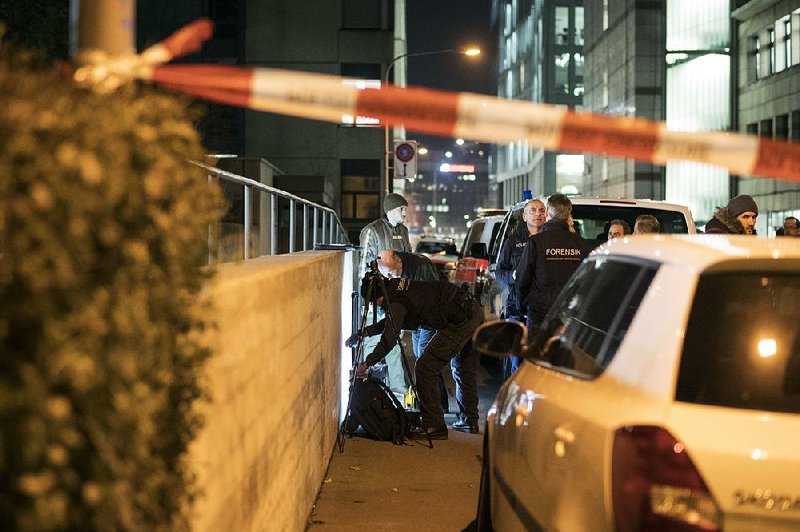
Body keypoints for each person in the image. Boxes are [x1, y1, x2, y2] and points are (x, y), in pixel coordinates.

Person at [354, 277, 483, 440]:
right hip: (471, 309)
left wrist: (366, 364)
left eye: (374, 302)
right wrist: (365, 332)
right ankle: (469, 421)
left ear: (377, 297)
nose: (378, 306)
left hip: (460, 321)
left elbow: (389, 338)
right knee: (464, 369)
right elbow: (391, 322)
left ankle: (434, 425)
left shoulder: (395, 302)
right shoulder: (396, 288)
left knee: (425, 367)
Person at [377, 249, 450, 412]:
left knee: (425, 360)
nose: (389, 278)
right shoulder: (402, 271)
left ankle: (435, 404)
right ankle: (434, 402)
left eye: (389, 273)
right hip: (419, 322)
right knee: (422, 358)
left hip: (429, 321)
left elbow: (430, 298)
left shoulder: (421, 268)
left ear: (399, 262)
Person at [357, 193, 412, 400]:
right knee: (376, 345)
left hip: (398, 298)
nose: (405, 213)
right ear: (390, 210)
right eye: (402, 209)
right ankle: (369, 394)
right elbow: (364, 268)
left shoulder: (403, 232)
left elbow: (408, 261)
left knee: (394, 344)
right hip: (378, 300)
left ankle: (396, 397)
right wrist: (372, 298)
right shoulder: (372, 231)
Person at [515, 194, 592, 336]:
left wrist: (521, 305)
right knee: (565, 355)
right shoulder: (581, 244)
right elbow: (588, 280)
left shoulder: (536, 242)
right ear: (568, 213)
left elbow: (522, 278)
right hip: (570, 313)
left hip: (540, 312)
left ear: (548, 213)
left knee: (537, 355)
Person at [495, 198, 546, 372]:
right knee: (517, 362)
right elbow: (499, 272)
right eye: (533, 210)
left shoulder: (550, 240)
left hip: (541, 308)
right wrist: (513, 276)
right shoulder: (513, 241)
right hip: (516, 307)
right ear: (524, 216)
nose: (537, 214)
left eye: (541, 210)